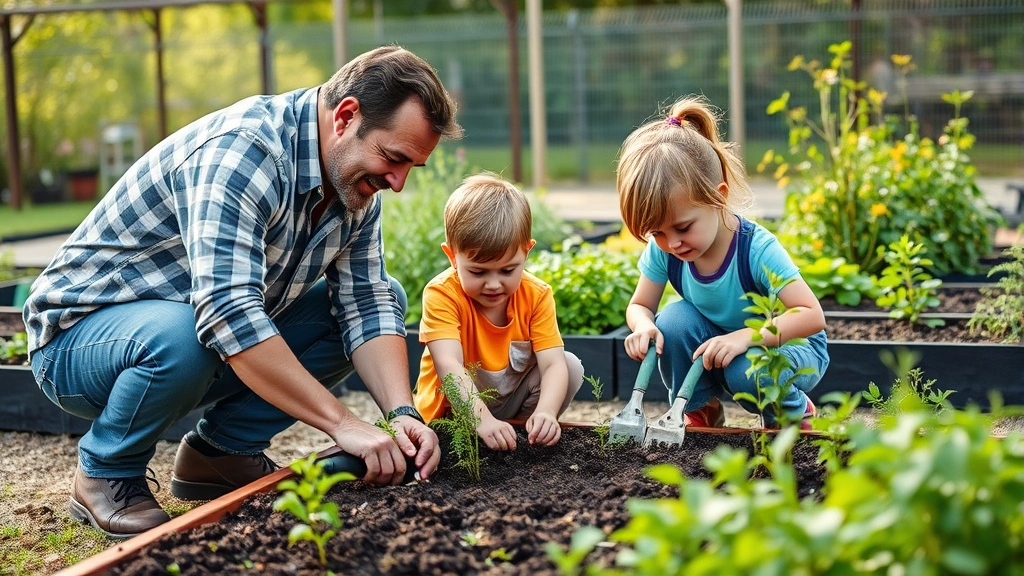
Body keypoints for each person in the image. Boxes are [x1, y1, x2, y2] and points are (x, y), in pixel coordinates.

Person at [22, 45, 462, 539]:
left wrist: (400, 414)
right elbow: (226, 314)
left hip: (189, 335)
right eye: (393, 158)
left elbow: (367, 302)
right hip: (78, 340)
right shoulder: (245, 151)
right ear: (345, 116)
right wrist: (343, 424)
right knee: (187, 333)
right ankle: (106, 471)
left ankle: (219, 456)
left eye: (410, 169)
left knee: (386, 298)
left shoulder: (354, 184)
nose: (397, 183)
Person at [616, 95, 829, 429]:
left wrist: (744, 337)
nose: (671, 243)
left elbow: (811, 316)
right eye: (655, 232)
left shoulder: (755, 249)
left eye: (683, 227)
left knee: (747, 371)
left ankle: (792, 413)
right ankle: (700, 407)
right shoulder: (666, 248)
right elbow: (640, 305)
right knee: (671, 322)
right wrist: (643, 325)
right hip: (723, 343)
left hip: (788, 348)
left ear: (719, 196)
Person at [412, 174, 584, 450]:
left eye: (507, 270)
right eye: (478, 272)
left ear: (527, 252)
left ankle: (522, 438)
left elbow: (552, 364)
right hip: (448, 418)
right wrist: (482, 421)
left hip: (507, 407)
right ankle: (488, 435)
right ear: (452, 256)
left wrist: (547, 413)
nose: (493, 284)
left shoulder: (537, 295)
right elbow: (449, 366)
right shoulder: (442, 293)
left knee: (569, 366)